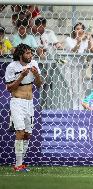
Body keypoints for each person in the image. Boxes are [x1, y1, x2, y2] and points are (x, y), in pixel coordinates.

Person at [5, 43, 42, 171]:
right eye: (27, 53)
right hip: (17, 102)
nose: (30, 55)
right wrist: (21, 76)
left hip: (30, 103)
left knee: (27, 134)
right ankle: (18, 165)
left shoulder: (34, 64)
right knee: (20, 131)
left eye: (31, 53)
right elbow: (9, 88)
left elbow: (39, 84)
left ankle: (21, 162)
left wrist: (36, 75)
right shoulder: (12, 67)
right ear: (21, 55)